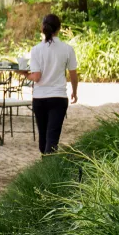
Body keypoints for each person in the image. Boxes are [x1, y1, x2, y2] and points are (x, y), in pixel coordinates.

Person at [22, 14, 78, 154]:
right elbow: (73, 74)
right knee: (52, 138)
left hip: (40, 98)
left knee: (43, 138)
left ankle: (45, 168)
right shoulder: (67, 49)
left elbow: (36, 77)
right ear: (59, 28)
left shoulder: (36, 50)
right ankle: (48, 170)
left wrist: (23, 74)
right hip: (58, 98)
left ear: (42, 28)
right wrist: (74, 92)